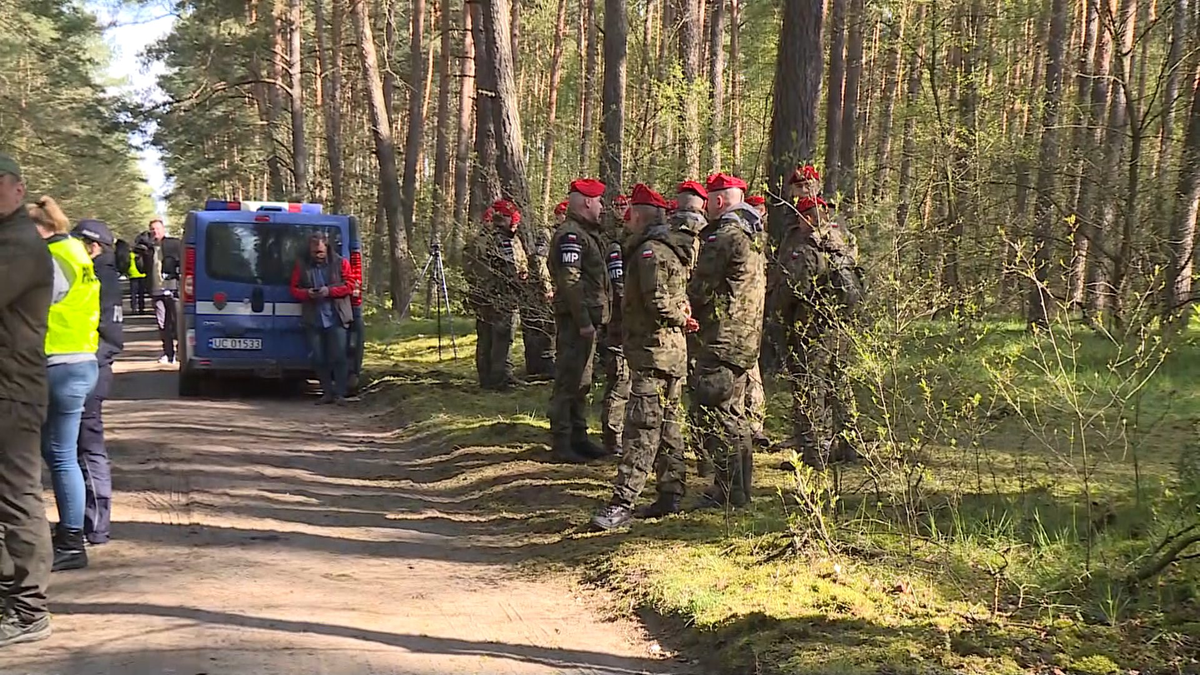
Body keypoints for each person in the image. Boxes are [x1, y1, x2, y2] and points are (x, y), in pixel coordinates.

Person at [591, 185, 698, 530]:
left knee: (642, 428)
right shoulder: (670, 248)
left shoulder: (650, 252)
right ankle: (671, 493)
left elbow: (656, 300)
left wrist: (683, 319)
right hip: (666, 353)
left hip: (655, 353)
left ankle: (623, 502)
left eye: (631, 215)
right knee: (668, 427)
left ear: (638, 216)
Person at [772, 165, 864, 469]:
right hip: (840, 322)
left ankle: (814, 453)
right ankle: (849, 444)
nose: (794, 196)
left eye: (798, 189)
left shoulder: (807, 238)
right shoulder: (838, 231)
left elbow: (793, 285)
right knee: (839, 383)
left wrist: (775, 309)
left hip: (812, 325)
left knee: (811, 386)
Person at [0, 154, 55, 646]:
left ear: (18, 190)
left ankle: (28, 609)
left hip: (13, 392)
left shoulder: (19, 245)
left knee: (18, 498)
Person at [29, 196, 101, 572]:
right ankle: (70, 532)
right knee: (55, 450)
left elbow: (35, 304)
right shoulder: (76, 251)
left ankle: (72, 541)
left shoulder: (55, 257)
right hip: (79, 361)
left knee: (60, 454)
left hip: (61, 364)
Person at [686, 173, 766, 508]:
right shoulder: (755, 236)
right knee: (736, 415)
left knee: (718, 414)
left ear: (719, 201)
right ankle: (739, 490)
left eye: (709, 201)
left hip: (721, 338)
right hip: (746, 339)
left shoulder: (726, 237)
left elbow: (701, 288)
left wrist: (683, 305)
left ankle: (728, 490)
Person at [547, 178, 611, 463]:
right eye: (598, 201)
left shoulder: (587, 233)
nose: (602, 207)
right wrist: (584, 320)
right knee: (568, 380)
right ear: (587, 201)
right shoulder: (571, 235)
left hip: (587, 320)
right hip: (576, 321)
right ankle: (562, 441)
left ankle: (579, 436)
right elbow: (570, 281)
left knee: (582, 381)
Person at [72, 220, 123, 547]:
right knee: (77, 451)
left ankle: (96, 525)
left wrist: (88, 365)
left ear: (92, 246)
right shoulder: (103, 274)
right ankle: (81, 523)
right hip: (90, 369)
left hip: (90, 370)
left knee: (89, 450)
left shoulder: (99, 278)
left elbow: (109, 336)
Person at [463, 200, 528, 391]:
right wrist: (518, 286)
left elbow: (467, 268)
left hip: (482, 296)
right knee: (501, 338)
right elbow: (509, 270)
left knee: (485, 337)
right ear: (505, 218)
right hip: (501, 297)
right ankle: (500, 379)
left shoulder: (478, 239)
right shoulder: (504, 240)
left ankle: (486, 378)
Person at [669, 181, 709, 475]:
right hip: (702, 320)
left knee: (672, 394)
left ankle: (672, 456)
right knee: (702, 390)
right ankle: (706, 457)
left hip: (675, 319)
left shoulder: (664, 232)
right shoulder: (710, 234)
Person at [290, 231, 355, 404]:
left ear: (326, 248)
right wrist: (307, 293)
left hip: (337, 317)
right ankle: (327, 392)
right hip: (314, 318)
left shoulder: (341, 263)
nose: (317, 255)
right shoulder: (302, 265)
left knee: (339, 356)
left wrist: (330, 291)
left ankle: (340, 394)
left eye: (320, 252)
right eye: (314, 252)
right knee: (318, 358)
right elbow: (294, 289)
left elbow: (350, 285)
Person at [599, 195, 630, 458]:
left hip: (635, 328)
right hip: (620, 326)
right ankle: (612, 437)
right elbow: (619, 290)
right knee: (620, 381)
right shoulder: (617, 249)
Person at [133, 218, 181, 364]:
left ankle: (180, 351)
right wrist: (139, 255)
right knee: (162, 324)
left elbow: (183, 261)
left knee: (176, 322)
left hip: (173, 288)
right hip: (156, 290)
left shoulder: (173, 244)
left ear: (163, 229)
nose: (155, 232)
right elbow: (142, 268)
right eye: (152, 229)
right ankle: (168, 353)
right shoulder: (148, 249)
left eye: (157, 229)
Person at [521, 211, 556, 382]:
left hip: (556, 286)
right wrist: (547, 286)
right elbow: (540, 261)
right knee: (545, 326)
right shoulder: (548, 235)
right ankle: (542, 365)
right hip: (544, 290)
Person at [123, 238, 147, 315]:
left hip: (133, 275)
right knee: (141, 294)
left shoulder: (130, 255)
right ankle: (141, 308)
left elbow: (127, 264)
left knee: (133, 294)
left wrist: (127, 272)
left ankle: (134, 308)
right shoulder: (143, 255)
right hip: (142, 275)